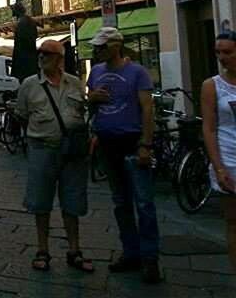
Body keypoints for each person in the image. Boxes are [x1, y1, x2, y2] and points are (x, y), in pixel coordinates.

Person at [86, 26, 161, 283]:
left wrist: (145, 144)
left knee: (144, 202)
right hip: (107, 144)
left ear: (116, 45)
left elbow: (148, 109)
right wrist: (92, 98)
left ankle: (150, 259)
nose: (97, 51)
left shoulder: (137, 72)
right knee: (120, 203)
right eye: (96, 47)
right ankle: (131, 253)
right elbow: (91, 103)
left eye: (101, 47)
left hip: (132, 142)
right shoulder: (95, 72)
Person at [15, 40, 93, 273]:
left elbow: (83, 112)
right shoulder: (29, 85)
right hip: (42, 148)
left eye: (47, 54)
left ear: (60, 58)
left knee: (73, 201)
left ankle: (74, 249)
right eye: (40, 53)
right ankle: (42, 249)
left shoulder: (76, 84)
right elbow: (22, 115)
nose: (42, 57)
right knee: (41, 203)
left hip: (72, 153)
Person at [201, 30, 236, 269]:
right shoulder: (211, 86)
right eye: (218, 52)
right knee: (233, 222)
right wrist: (218, 166)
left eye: (228, 52)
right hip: (229, 158)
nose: (222, 57)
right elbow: (209, 128)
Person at [11, 2, 38, 83]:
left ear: (16, 11)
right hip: (30, 57)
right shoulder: (29, 21)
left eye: (13, 10)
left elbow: (20, 42)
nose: (12, 12)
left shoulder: (22, 22)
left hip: (23, 59)